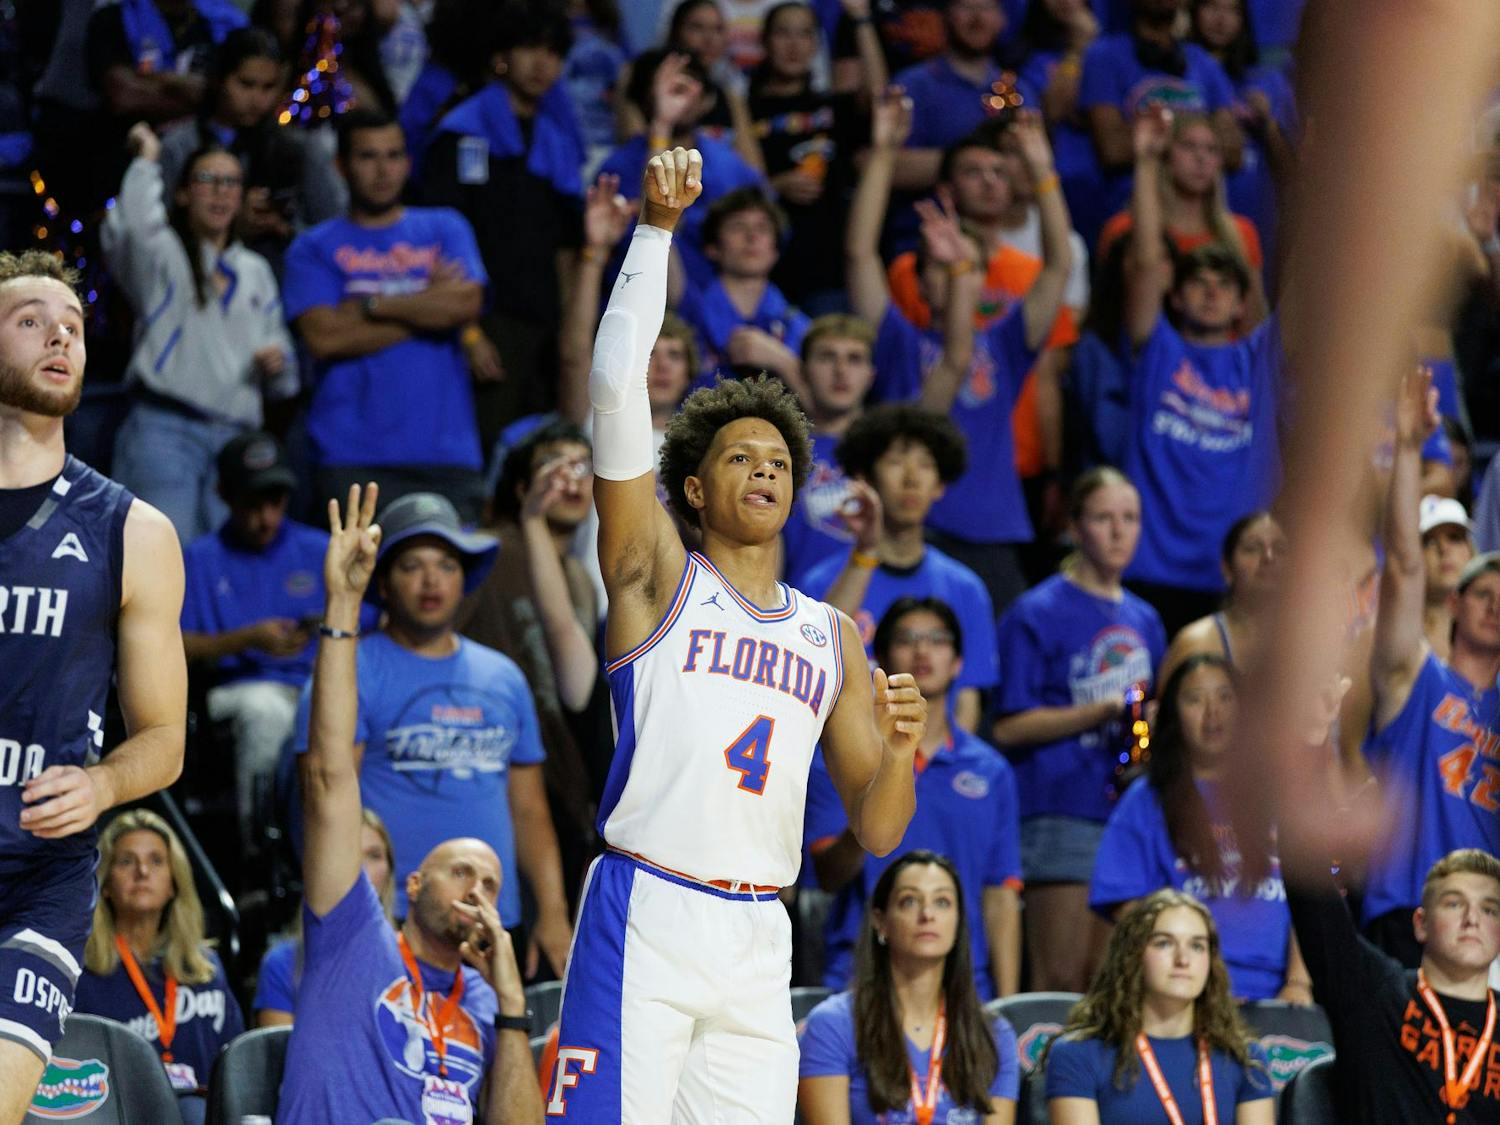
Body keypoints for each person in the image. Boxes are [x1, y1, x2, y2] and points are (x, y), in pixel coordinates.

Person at [547, 146, 927, 1121]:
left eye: (780, 463)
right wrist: (657, 230)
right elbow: (612, 391)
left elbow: (879, 829)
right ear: (691, 487)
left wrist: (901, 746)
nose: (764, 471)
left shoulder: (832, 635)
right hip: (649, 906)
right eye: (739, 457)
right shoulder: (656, 575)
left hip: (764, 932)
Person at [275, 482, 543, 1123]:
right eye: (460, 872)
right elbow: (331, 779)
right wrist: (344, 602)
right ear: (413, 880)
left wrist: (510, 1002)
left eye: (489, 881)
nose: (477, 889)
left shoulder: (486, 1005)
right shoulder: (352, 939)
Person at [0, 250, 186, 1125]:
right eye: (31, 319)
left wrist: (103, 781)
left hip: (41, 870)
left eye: (72, 325)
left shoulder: (134, 530)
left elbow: (164, 737)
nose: (59, 336)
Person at [290, 490, 573, 977]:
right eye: (411, 566)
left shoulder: (503, 676)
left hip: (489, 920)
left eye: (445, 564)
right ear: (382, 580)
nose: (430, 580)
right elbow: (323, 799)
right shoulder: (346, 671)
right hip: (386, 916)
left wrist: (552, 913)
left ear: (464, 579)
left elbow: (529, 809)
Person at [848, 94, 1074, 613]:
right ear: (918, 282)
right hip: (915, 528)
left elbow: (1059, 266)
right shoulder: (898, 339)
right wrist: (884, 152)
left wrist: (1041, 172)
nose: (954, 275)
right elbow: (859, 252)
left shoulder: (1004, 344)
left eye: (966, 266)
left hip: (994, 530)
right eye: (941, 266)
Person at [993, 466, 1166, 992]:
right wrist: (1100, 711)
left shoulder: (1146, 619)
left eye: (1130, 518)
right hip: (1060, 810)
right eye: (1103, 518)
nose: (1119, 532)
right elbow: (1008, 727)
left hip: (1126, 813)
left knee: (1108, 981)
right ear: (1074, 526)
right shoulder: (1036, 612)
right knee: (1060, 980)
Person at [806, 599, 1022, 999]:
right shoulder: (841, 760)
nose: (923, 651)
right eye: (907, 640)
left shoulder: (992, 772)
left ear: (959, 662)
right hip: (860, 979)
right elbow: (829, 875)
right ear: (881, 660)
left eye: (938, 640)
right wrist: (874, 812)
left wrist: (1006, 1004)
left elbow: (1000, 894)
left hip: (962, 986)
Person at [1119, 107, 1281, 638]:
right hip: (1148, 570)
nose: (1211, 292)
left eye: (1224, 285)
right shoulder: (1156, 349)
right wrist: (1145, 162)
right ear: (1176, 297)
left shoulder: (1258, 358)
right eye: (1199, 283)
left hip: (1235, 574)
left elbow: (1308, 286)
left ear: (1242, 304)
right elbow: (1146, 260)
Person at [281, 109, 489, 522]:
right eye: (368, 157)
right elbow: (326, 338)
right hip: (351, 457)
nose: (383, 170)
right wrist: (428, 304)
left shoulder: (445, 227)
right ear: (341, 166)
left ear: (408, 162)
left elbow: (464, 305)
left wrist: (371, 307)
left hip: (447, 455)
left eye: (394, 156)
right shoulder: (312, 248)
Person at [103, 123, 298, 545]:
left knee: (222, 573)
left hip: (238, 442)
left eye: (230, 182)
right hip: (165, 430)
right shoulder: (163, 257)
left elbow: (286, 380)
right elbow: (134, 227)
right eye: (206, 179)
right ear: (183, 193)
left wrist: (279, 363)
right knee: (160, 559)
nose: (220, 191)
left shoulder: (256, 272)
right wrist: (147, 161)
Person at [1362, 371, 1500, 967]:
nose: (1497, 605)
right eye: (1483, 593)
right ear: (1453, 604)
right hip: (1407, 911)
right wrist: (1411, 450)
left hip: (1491, 919)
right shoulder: (1413, 680)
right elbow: (1403, 567)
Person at [1089, 654, 1308, 1003]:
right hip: (1183, 995)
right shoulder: (1147, 800)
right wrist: (1189, 977)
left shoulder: (1281, 796)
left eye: (1225, 697)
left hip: (1280, 998)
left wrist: (1299, 982)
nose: (1213, 712)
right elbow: (1126, 906)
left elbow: (1312, 897)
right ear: (1172, 715)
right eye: (1195, 700)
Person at [181, 433, 358, 860]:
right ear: (224, 495)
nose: (267, 517)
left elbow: (369, 622)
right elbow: (174, 645)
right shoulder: (200, 557)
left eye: (275, 502)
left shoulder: (318, 548)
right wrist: (248, 638)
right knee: (268, 711)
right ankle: (261, 849)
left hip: (315, 683)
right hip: (239, 688)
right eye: (253, 504)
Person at [457, 422, 605, 905]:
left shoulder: (580, 578)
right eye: (553, 466)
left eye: (582, 467)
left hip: (559, 774)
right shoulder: (482, 551)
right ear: (522, 486)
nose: (571, 480)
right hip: (486, 762)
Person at [421, 5, 585, 440]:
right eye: (530, 48)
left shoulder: (557, 140)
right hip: (488, 323)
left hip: (546, 325)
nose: (541, 63)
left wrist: (569, 328)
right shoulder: (460, 131)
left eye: (553, 52)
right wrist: (470, 332)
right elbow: (442, 238)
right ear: (501, 56)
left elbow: (568, 246)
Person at [800, 404, 998, 732]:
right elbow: (810, 674)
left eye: (925, 465)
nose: (911, 479)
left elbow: (966, 701)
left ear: (939, 485)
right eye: (895, 462)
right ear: (864, 478)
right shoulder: (822, 582)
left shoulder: (966, 588)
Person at [798, 850, 1022, 1124]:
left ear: (958, 921)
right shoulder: (833, 1024)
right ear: (880, 921)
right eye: (909, 901)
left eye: (942, 902)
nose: (927, 914)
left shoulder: (994, 1034)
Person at [1286, 846, 1500, 1124]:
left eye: (1490, 910)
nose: (1472, 920)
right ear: (1421, 924)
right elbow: (1311, 897)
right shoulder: (1375, 993)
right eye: (1454, 903)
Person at [1045, 888, 1274, 1125]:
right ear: (1132, 955)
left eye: (1197, 946)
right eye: (1164, 943)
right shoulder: (1079, 1054)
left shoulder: (1244, 1058)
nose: (1183, 960)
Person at [73, 810, 243, 1124]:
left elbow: (237, 1066)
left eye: (156, 861)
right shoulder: (82, 975)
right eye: (126, 861)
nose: (142, 871)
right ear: (105, 884)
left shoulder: (204, 967)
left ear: (173, 883)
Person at [157, 25, 345, 274]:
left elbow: (335, 228)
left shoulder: (300, 148)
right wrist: (228, 223)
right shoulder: (177, 146)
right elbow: (155, 234)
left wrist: (285, 228)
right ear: (219, 79)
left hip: (281, 279)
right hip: (190, 278)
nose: (258, 99)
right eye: (246, 84)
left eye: (268, 87)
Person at [747, 0, 885, 313]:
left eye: (805, 34)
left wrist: (861, 19)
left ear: (816, 44)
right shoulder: (745, 111)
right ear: (765, 41)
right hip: (764, 267)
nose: (794, 45)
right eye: (784, 33)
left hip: (828, 268)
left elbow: (881, 101)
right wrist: (775, 185)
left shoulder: (834, 108)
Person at [598, 49, 767, 290]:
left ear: (707, 99)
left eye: (684, 86)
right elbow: (646, 239)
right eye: (663, 86)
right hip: (638, 296)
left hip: (714, 309)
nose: (674, 96)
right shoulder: (616, 168)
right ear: (645, 99)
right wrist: (661, 125)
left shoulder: (730, 165)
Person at [1096, 110, 1267, 332]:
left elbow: (1253, 326)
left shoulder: (1242, 232)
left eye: (1211, 149)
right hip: (1152, 357)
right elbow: (1107, 314)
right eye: (1189, 146)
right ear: (1166, 156)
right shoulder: (1124, 229)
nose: (1201, 158)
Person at [1078, 0, 1242, 216]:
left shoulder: (1203, 62)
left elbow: (1233, 151)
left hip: (1200, 216)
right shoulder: (1103, 56)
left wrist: (1156, 133)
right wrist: (1195, 132)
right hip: (1132, 210)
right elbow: (1113, 149)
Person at [253, 806, 396, 1026]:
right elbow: (279, 1056)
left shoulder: (411, 959)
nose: (361, 867)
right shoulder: (283, 963)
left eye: (374, 855)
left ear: (389, 869)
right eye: (349, 854)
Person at [891, 0, 1038, 198]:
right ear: (946, 15)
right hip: (927, 219)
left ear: (1002, 19)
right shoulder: (913, 85)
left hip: (1003, 223)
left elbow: (1036, 166)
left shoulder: (1018, 89)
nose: (978, 19)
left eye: (987, 7)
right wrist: (969, 159)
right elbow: (886, 165)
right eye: (966, 7)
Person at [673, 186, 810, 386]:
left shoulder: (798, 325)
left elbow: (821, 409)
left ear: (775, 250)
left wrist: (783, 362)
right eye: (737, 227)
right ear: (713, 248)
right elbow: (660, 239)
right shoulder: (689, 307)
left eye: (762, 228)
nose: (752, 237)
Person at [780, 314, 880, 588]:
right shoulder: (779, 452)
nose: (841, 371)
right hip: (801, 609)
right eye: (827, 357)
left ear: (871, 375)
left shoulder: (890, 451)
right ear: (802, 371)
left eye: (854, 359)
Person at [1157, 510, 1284, 684]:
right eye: (1252, 548)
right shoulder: (1195, 642)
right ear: (1226, 567)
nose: (1268, 557)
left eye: (1280, 549)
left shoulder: (1317, 639)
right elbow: (1164, 710)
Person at [1417, 495, 1479, 664]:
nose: (1443, 549)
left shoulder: (1493, 627)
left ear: (1471, 551)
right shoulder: (1398, 634)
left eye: (1454, 537)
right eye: (1429, 542)